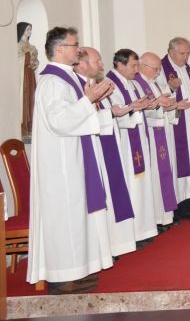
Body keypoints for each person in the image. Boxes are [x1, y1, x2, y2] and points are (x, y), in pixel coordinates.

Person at [28, 27, 114, 293]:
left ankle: (75, 271)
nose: (79, 49)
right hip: (60, 163)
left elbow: (77, 114)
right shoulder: (52, 82)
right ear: (59, 49)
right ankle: (61, 277)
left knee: (75, 217)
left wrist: (95, 103)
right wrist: (88, 100)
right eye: (75, 45)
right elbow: (60, 121)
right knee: (64, 217)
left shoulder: (67, 78)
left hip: (73, 156)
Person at [75, 47, 136, 259]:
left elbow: (101, 114)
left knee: (111, 193)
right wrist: (110, 111)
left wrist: (112, 109)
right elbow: (82, 118)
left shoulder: (94, 85)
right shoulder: (79, 87)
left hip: (107, 144)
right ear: (82, 64)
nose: (102, 65)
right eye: (98, 61)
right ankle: (104, 247)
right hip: (94, 148)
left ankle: (113, 244)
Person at [107, 49, 158, 247]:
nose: (137, 70)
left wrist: (148, 106)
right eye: (133, 65)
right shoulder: (111, 84)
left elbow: (136, 109)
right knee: (131, 186)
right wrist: (133, 109)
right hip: (125, 145)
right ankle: (132, 233)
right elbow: (116, 115)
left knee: (141, 185)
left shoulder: (132, 83)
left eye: (138, 65)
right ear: (120, 65)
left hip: (138, 140)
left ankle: (142, 229)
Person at [159, 37, 190, 221]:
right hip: (173, 126)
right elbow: (157, 95)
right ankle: (174, 211)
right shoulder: (161, 70)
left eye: (188, 53)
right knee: (176, 165)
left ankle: (187, 208)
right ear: (171, 52)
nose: (186, 57)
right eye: (182, 53)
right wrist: (171, 88)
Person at [135, 52, 180, 231]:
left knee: (164, 174)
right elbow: (143, 112)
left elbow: (160, 108)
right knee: (155, 178)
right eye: (155, 69)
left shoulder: (154, 83)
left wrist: (173, 106)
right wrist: (160, 105)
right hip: (151, 137)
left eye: (159, 69)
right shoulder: (138, 83)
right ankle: (155, 219)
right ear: (142, 66)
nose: (158, 72)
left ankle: (165, 216)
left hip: (163, 134)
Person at [18, 21, 38, 137]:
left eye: (30, 29)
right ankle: (24, 127)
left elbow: (35, 61)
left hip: (30, 75)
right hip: (23, 76)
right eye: (28, 29)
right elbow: (18, 59)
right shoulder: (18, 45)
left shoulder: (31, 46)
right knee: (25, 99)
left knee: (32, 98)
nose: (30, 32)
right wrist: (28, 57)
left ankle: (31, 126)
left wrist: (35, 62)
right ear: (22, 31)